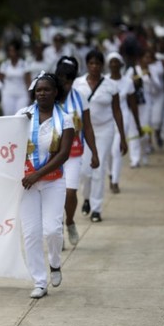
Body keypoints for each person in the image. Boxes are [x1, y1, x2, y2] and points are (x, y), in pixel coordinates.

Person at [17, 73, 74, 298]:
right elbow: (9, 140)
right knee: (31, 234)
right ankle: (39, 282)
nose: (42, 93)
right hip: (26, 183)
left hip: (53, 181)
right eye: (38, 90)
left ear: (55, 92)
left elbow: (64, 154)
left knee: (52, 230)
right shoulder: (23, 115)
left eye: (46, 89)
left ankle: (55, 263)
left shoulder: (66, 119)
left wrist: (37, 174)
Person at [73, 49, 127, 223]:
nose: (94, 67)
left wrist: (123, 137)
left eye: (97, 63)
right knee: (84, 171)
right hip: (83, 131)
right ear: (87, 65)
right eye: (91, 63)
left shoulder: (110, 85)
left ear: (101, 65)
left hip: (105, 130)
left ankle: (96, 208)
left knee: (99, 168)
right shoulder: (77, 84)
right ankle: (86, 197)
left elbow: (117, 111)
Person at [54, 57, 99, 247]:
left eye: (68, 80)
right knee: (54, 195)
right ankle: (58, 231)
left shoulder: (79, 97)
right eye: (62, 79)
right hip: (52, 154)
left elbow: (87, 127)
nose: (64, 84)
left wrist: (94, 152)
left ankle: (70, 221)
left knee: (70, 192)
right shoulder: (49, 94)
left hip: (73, 153)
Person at [105, 52, 142, 193]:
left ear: (121, 64)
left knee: (116, 150)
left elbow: (133, 104)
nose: (114, 64)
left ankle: (115, 181)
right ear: (108, 65)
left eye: (116, 62)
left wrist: (137, 124)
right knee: (107, 151)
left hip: (123, 117)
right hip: (107, 118)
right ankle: (110, 173)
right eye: (111, 62)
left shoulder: (128, 82)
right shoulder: (104, 80)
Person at [0, 40, 31, 116]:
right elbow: (0, 81)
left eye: (13, 51)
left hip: (22, 94)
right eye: (10, 51)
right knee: (8, 115)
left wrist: (30, 95)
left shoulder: (24, 64)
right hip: (8, 94)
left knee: (21, 115)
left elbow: (28, 82)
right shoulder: (5, 65)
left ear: (17, 51)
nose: (11, 53)